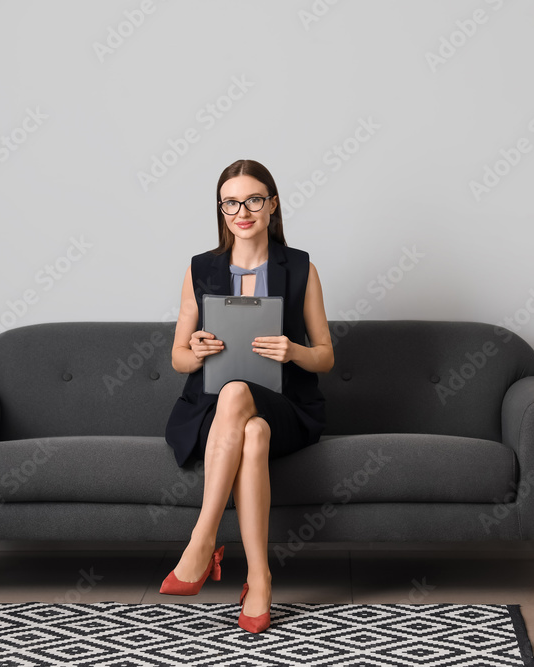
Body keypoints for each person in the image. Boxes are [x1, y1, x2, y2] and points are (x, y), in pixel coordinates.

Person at [161, 159, 333, 633]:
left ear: (272, 205)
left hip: (289, 407)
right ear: (221, 209)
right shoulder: (201, 269)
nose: (243, 211)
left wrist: (294, 350)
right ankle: (259, 580)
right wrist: (195, 351)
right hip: (213, 410)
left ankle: (202, 540)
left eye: (254, 199)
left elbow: (325, 357)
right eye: (231, 202)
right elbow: (177, 358)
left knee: (243, 397)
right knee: (251, 432)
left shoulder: (300, 268)